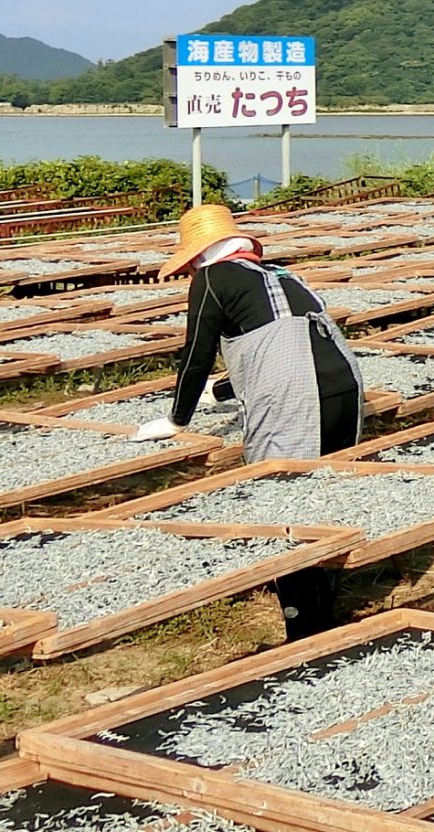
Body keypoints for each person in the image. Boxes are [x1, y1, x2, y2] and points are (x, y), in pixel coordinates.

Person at [131, 203, 364, 638]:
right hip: (345, 387)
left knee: (283, 501)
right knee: (329, 494)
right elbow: (283, 342)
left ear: (199, 255)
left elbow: (197, 352)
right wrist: (221, 392)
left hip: (298, 399)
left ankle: (302, 626)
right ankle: (327, 611)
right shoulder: (281, 274)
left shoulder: (213, 279)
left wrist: (176, 418)